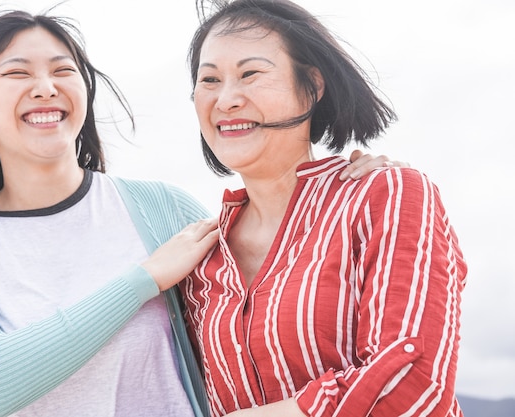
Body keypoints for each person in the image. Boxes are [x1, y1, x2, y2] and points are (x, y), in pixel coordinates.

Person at [0, 8, 402, 417]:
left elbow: (265, 318)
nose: (45, 86)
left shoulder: (163, 210)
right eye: (17, 73)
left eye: (63, 71)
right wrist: (146, 279)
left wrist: (334, 186)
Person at [180, 0, 468, 416]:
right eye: (209, 80)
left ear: (312, 86)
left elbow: (412, 385)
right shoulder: (200, 256)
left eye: (250, 74)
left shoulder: (386, 194)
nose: (225, 100)